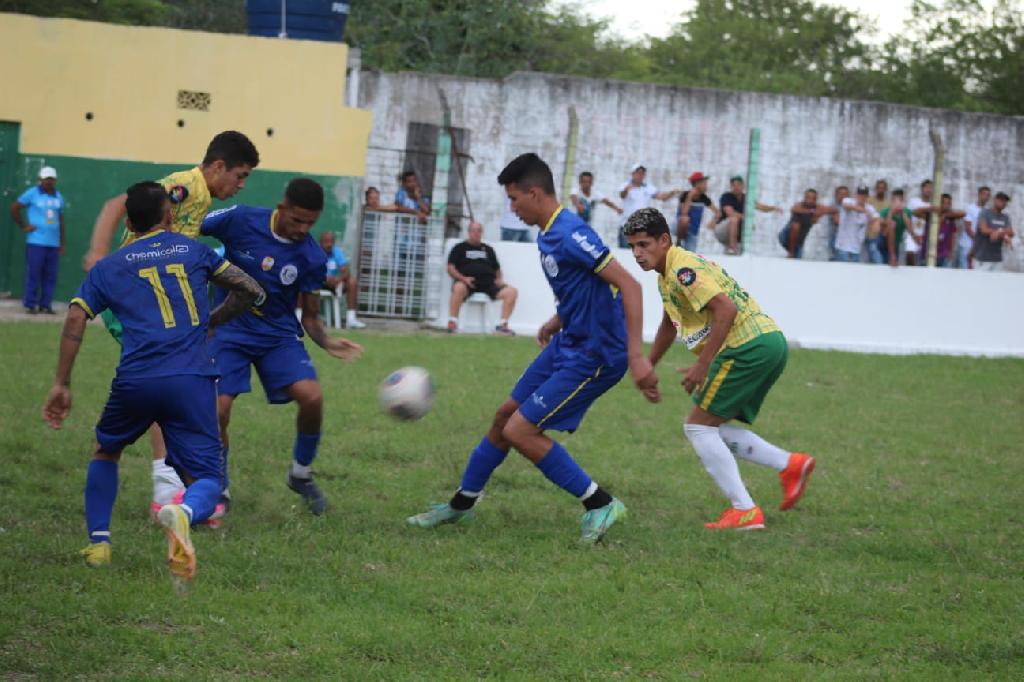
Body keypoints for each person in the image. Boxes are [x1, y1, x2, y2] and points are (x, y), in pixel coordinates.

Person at [408, 153, 657, 544]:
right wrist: (558, 319)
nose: (512, 207)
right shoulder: (547, 233)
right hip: (568, 341)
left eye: (514, 199)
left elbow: (629, 284)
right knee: (503, 416)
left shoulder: (572, 233)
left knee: (520, 430)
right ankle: (461, 504)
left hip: (596, 354)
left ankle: (600, 503)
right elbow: (587, 286)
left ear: (535, 193)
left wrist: (637, 356)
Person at [41, 181, 263, 578]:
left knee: (106, 451)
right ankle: (184, 510)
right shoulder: (195, 251)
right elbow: (250, 288)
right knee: (207, 478)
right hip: (192, 380)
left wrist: (62, 383)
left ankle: (99, 544)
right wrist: (213, 320)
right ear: (168, 216)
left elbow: (76, 316)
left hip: (137, 379)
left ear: (128, 221)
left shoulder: (111, 265)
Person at [84, 130, 260, 519]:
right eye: (240, 175)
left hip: (158, 300)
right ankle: (169, 492)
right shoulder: (185, 186)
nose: (242, 185)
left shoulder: (202, 199)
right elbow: (118, 203)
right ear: (217, 166)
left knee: (169, 382)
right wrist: (98, 250)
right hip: (138, 296)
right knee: (168, 380)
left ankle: (176, 490)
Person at [622, 208, 815, 530]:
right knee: (716, 427)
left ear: (664, 240)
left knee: (698, 428)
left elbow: (725, 308)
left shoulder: (682, 268)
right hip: (766, 344)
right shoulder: (667, 274)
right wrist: (648, 366)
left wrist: (702, 364)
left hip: (747, 347)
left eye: (644, 245)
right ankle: (790, 465)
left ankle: (745, 510)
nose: (637, 254)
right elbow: (671, 324)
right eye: (632, 247)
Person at [202, 179, 364, 515]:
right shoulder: (241, 219)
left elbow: (311, 317)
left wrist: (328, 343)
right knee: (218, 410)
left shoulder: (312, 257)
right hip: (229, 329)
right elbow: (191, 229)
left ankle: (300, 475)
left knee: (313, 397)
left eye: (310, 223)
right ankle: (218, 487)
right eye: (297, 220)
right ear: (281, 208)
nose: (303, 229)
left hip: (277, 335)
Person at [446, 221, 518, 335]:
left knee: (512, 292)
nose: (476, 233)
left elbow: (497, 269)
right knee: (458, 287)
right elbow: (450, 268)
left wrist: (499, 279)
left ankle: (502, 326)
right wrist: (463, 279)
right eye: (473, 230)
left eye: (479, 230)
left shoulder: (488, 249)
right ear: (469, 232)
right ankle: (453, 322)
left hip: (488, 284)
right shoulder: (459, 248)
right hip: (468, 283)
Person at [10, 166, 64, 314]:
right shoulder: (32, 194)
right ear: (40, 179)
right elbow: (14, 207)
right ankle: (30, 304)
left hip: (53, 243)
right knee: (34, 273)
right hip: (36, 242)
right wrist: (24, 226)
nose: (48, 182)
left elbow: (60, 220)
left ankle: (45, 304)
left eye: (51, 179)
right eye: (46, 179)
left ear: (55, 180)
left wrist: (61, 242)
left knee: (50, 275)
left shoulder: (58, 197)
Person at [617, 163, 680, 248]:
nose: (640, 175)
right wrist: (627, 189)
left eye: (642, 173)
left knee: (640, 254)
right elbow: (622, 195)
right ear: (632, 174)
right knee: (624, 252)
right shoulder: (625, 185)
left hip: (642, 228)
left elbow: (661, 197)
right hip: (626, 226)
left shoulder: (648, 188)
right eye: (638, 173)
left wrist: (672, 192)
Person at [716, 176, 782, 255]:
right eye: (734, 185)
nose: (736, 187)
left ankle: (736, 250)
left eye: (738, 185)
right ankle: (732, 248)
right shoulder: (726, 196)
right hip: (722, 230)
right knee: (734, 219)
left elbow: (761, 207)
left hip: (737, 233)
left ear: (743, 186)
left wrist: (774, 208)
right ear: (731, 186)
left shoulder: (746, 198)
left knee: (734, 259)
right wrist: (748, 220)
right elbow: (730, 213)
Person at [319, 231, 366, 329]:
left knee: (352, 282)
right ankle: (298, 318)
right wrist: (324, 279)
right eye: (326, 242)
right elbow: (309, 271)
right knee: (300, 282)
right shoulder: (315, 253)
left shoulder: (337, 252)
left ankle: (351, 319)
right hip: (317, 283)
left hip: (334, 284)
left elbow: (346, 271)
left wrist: (338, 279)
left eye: (331, 242)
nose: (329, 244)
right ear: (320, 242)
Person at [778, 189, 838, 259]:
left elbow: (834, 210)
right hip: (785, 236)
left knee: (797, 258)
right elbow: (794, 209)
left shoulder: (818, 207)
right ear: (804, 198)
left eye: (813, 198)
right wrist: (811, 212)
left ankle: (793, 253)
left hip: (799, 241)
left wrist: (823, 214)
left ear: (816, 199)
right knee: (795, 226)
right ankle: (791, 253)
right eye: (808, 198)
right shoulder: (799, 205)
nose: (810, 200)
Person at [834, 186, 880, 263]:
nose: (862, 197)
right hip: (842, 248)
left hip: (856, 249)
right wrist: (865, 211)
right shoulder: (848, 201)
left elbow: (877, 220)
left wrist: (875, 224)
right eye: (860, 194)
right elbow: (846, 206)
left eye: (864, 195)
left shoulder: (870, 208)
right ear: (856, 195)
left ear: (867, 197)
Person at [677, 172, 719, 251]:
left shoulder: (704, 198)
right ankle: (679, 241)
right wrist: (690, 197)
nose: (706, 186)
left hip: (692, 231)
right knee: (685, 219)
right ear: (697, 184)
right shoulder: (685, 195)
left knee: (691, 255)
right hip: (679, 227)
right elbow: (684, 213)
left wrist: (714, 221)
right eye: (704, 183)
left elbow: (717, 212)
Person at [974, 192, 1014, 272]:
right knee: (980, 283)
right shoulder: (985, 213)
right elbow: (984, 230)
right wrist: (1003, 233)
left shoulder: (1005, 217)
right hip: (983, 258)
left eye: (1005, 201)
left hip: (997, 259)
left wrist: (999, 232)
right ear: (995, 200)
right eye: (1001, 200)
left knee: (996, 283)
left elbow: (1011, 232)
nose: (1004, 203)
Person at [908, 180, 939, 266]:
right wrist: (929, 209)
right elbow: (912, 213)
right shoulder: (913, 201)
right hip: (912, 235)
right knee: (910, 254)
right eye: (926, 187)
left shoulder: (934, 204)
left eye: (930, 187)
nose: (928, 189)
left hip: (926, 238)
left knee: (923, 261)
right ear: (922, 189)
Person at [879, 189, 913, 267]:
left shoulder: (907, 212)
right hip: (883, 241)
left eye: (900, 201)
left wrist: (903, 213)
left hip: (897, 243)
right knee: (892, 224)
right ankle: (892, 256)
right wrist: (892, 212)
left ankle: (893, 257)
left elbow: (910, 230)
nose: (897, 204)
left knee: (894, 266)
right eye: (894, 201)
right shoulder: (885, 211)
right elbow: (884, 232)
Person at [962, 186, 991, 269]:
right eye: (984, 194)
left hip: (981, 246)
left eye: (988, 195)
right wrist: (978, 240)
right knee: (965, 270)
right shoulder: (970, 208)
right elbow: (968, 228)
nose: (986, 197)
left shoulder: (988, 211)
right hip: (967, 245)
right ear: (978, 194)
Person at [935, 194, 966, 267]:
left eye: (948, 203)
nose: (946, 205)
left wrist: (951, 251)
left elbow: (953, 236)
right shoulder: (934, 217)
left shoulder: (951, 219)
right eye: (943, 203)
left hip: (945, 254)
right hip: (934, 253)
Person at [865, 180, 890, 264]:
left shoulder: (888, 203)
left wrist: (877, 219)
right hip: (872, 236)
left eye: (883, 188)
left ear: (886, 189)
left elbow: (889, 220)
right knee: (878, 262)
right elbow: (867, 217)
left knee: (885, 262)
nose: (881, 190)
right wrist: (881, 220)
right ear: (875, 189)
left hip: (885, 236)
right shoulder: (869, 201)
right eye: (879, 188)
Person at [826, 186, 849, 260]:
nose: (843, 196)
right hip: (835, 238)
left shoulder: (850, 206)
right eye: (841, 194)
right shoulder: (833, 206)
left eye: (845, 194)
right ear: (836, 195)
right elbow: (837, 221)